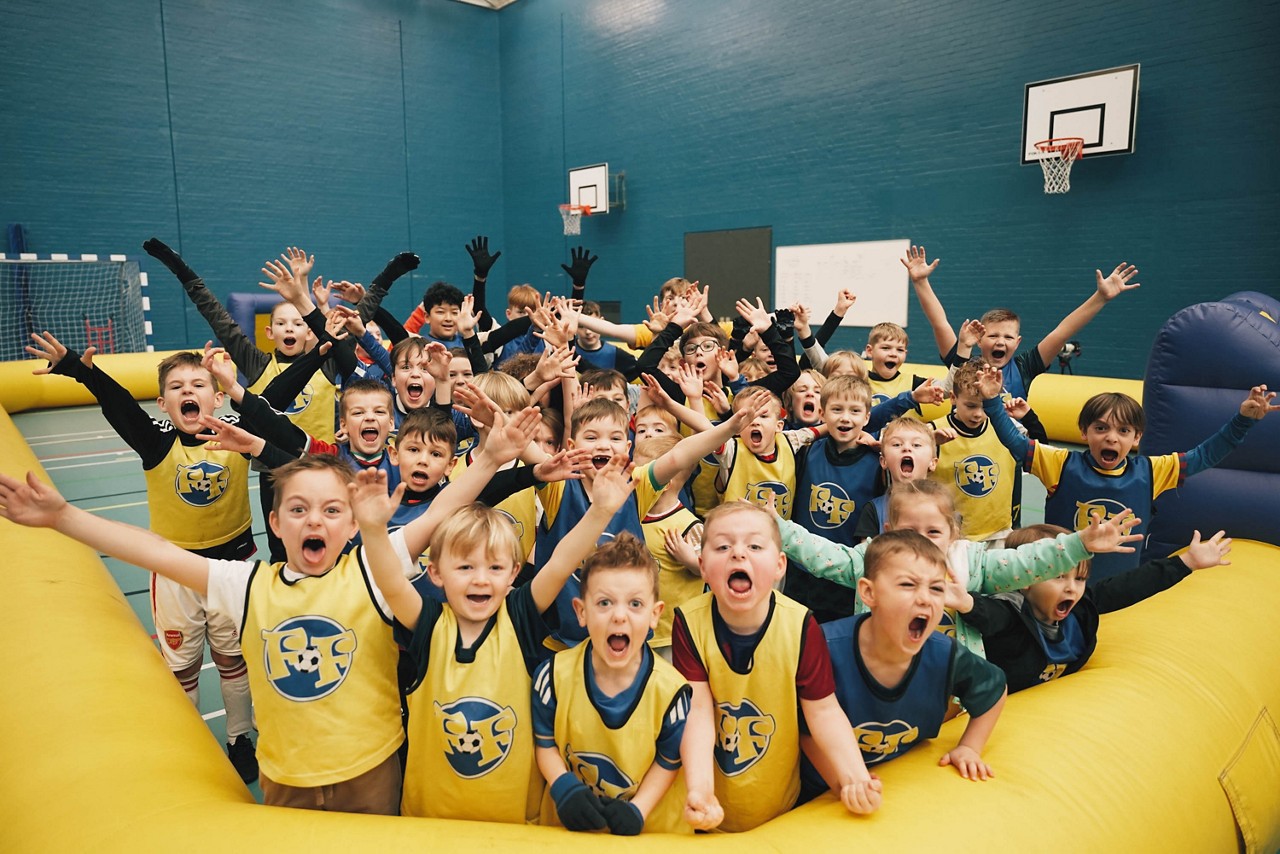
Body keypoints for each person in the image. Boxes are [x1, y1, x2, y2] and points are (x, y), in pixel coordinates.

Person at [0, 407, 539, 812]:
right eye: (298, 510)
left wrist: (491, 457)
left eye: (333, 510)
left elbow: (444, 508)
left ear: (352, 525)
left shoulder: (373, 569)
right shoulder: (247, 583)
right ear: (275, 525)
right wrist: (63, 518)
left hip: (373, 767)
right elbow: (159, 552)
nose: (315, 522)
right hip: (286, 776)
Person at [26, 332, 269, 782]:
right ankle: (190, 742)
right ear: (162, 404)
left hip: (231, 568)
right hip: (175, 569)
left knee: (234, 658)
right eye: (176, 388)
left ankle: (239, 736)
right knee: (183, 666)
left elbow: (277, 410)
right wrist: (80, 369)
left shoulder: (238, 433)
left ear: (218, 395)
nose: (188, 393)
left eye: (198, 385)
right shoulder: (155, 440)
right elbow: (118, 403)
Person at [355, 455, 635, 823]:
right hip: (432, 818)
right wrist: (373, 530)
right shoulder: (428, 625)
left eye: (495, 567)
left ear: (513, 574)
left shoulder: (519, 618)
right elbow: (390, 581)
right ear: (436, 574)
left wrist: (600, 512)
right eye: (466, 567)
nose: (481, 579)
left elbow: (561, 562)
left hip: (513, 819)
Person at [672, 502, 882, 833]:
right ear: (702, 565)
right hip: (709, 800)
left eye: (754, 545)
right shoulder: (688, 621)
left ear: (780, 565)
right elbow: (696, 711)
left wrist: (855, 777)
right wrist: (700, 789)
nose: (738, 554)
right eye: (723, 546)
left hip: (780, 805)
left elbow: (824, 712)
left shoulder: (801, 624)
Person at [777, 478, 1143, 658]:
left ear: (952, 533)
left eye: (933, 531)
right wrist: (775, 525)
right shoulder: (872, 559)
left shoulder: (970, 562)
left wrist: (1078, 544)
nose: (921, 539)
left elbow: (1024, 563)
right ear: (888, 532)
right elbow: (822, 555)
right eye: (908, 531)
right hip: (884, 668)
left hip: (952, 675)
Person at [981, 366, 1277, 579]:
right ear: (1084, 433)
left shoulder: (1150, 471)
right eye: (1101, 428)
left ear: (1137, 438)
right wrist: (993, 402)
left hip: (1119, 585)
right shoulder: (1061, 464)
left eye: (1123, 431)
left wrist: (1243, 421)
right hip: (1062, 580)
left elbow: (1205, 455)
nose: (1111, 438)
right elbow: (1017, 443)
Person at [534, 396, 765, 649]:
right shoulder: (558, 487)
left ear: (628, 446)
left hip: (626, 639)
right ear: (571, 444)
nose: (604, 445)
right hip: (564, 642)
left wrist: (729, 429)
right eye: (591, 438)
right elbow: (525, 449)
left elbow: (679, 456)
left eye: (614, 438)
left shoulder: (634, 486)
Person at [804, 531, 1007, 791]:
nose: (924, 598)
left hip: (900, 777)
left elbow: (995, 688)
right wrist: (845, 783)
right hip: (818, 787)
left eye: (936, 588)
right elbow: (804, 729)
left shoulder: (944, 654)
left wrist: (969, 747)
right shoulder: (823, 647)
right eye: (908, 585)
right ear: (868, 592)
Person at [533, 534, 693, 835]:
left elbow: (668, 761)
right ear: (581, 611)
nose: (619, 616)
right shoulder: (552, 677)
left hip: (650, 834)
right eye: (605, 603)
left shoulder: (673, 690)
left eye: (635, 604)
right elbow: (545, 744)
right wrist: (563, 786)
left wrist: (638, 810)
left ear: (654, 615)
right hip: (570, 834)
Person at [956, 525, 1233, 692]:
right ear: (1024, 580)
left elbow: (1128, 587)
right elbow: (990, 616)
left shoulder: (1079, 611)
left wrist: (1185, 562)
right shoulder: (1010, 614)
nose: (1072, 589)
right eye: (1059, 577)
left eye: (1079, 578)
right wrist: (966, 602)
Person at [902, 245, 1140, 433]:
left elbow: (1062, 332)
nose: (1000, 342)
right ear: (979, 339)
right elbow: (939, 323)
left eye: (1008, 337)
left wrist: (1100, 298)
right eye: (993, 335)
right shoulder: (963, 364)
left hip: (1007, 449)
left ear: (1017, 342)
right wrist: (921, 282)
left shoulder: (1024, 366)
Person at [787, 376, 944, 622]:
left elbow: (910, 473)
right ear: (822, 413)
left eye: (855, 411)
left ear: (867, 418)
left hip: (844, 576)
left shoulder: (877, 464)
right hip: (800, 571)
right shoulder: (806, 452)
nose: (845, 418)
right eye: (836, 410)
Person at [927, 359, 1020, 543]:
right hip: (951, 536)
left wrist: (1030, 417)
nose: (977, 413)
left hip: (998, 533)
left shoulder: (1007, 429)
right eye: (970, 406)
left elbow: (1039, 447)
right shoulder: (933, 432)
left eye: (984, 406)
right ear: (953, 398)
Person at [852, 414, 938, 542]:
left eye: (917, 445)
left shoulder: (942, 506)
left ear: (932, 462)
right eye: (897, 444)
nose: (907, 448)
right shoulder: (874, 510)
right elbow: (868, 557)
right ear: (883, 461)